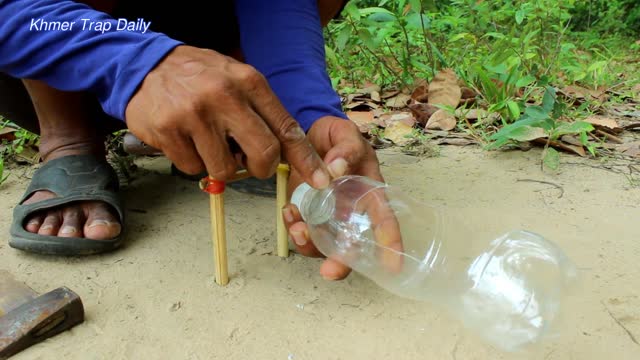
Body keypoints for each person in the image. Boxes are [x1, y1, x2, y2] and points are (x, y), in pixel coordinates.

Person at [0, 0, 397, 281]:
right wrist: (134, 62)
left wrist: (307, 111)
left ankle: (215, 129)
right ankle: (68, 138)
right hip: (41, 40)